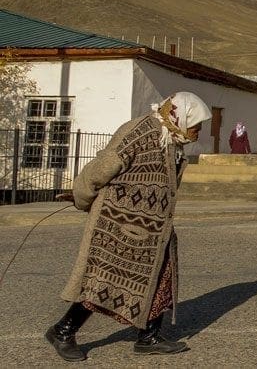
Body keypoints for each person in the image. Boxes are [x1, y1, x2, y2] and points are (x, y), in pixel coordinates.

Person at [45, 92, 212, 362]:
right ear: (181, 117)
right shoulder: (139, 131)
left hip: (156, 228)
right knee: (102, 279)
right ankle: (63, 330)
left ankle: (148, 337)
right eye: (197, 125)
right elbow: (103, 166)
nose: (198, 131)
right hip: (117, 222)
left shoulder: (172, 139)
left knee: (161, 276)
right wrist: (82, 197)